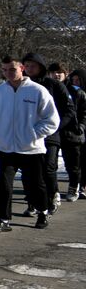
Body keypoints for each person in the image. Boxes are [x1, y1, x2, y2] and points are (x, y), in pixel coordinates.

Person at [0, 57, 60, 232]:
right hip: (6, 147)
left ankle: (42, 211)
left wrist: (33, 134)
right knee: (3, 184)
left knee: (35, 184)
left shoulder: (37, 91)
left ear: (22, 68)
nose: (8, 74)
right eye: (4, 70)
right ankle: (3, 219)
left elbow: (52, 119)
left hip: (31, 149)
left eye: (11, 69)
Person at [21, 53, 75, 215]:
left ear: (41, 66)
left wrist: (55, 126)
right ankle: (32, 201)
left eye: (33, 66)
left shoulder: (54, 85)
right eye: (27, 66)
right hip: (28, 134)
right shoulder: (20, 85)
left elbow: (68, 110)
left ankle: (52, 196)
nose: (29, 69)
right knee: (28, 170)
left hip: (50, 134)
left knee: (48, 167)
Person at [66, 68, 86, 201]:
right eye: (73, 80)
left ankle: (83, 185)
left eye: (78, 80)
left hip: (83, 127)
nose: (75, 82)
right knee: (78, 160)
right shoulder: (71, 92)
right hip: (77, 131)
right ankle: (79, 184)